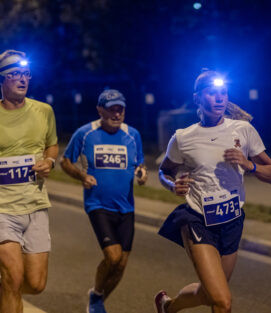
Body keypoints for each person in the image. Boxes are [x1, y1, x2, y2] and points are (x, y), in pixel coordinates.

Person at [154, 70, 271, 313]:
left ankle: (168, 307)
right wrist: (172, 185)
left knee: (211, 294)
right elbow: (163, 171)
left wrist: (248, 164)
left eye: (223, 93)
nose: (219, 98)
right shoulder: (183, 137)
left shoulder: (242, 130)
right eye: (212, 93)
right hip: (198, 220)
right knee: (223, 301)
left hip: (232, 220)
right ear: (198, 98)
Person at [60, 89, 148, 313]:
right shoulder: (85, 133)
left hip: (126, 206)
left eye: (120, 109)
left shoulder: (132, 134)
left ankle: (97, 297)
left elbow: (140, 164)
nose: (117, 114)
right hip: (97, 204)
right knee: (113, 256)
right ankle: (97, 297)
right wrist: (81, 175)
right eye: (112, 110)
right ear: (100, 110)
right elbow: (65, 162)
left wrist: (142, 173)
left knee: (121, 265)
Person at [0, 50, 58, 312]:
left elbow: (52, 145)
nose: (22, 79)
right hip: (2, 209)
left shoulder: (44, 111)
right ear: (2, 79)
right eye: (15, 74)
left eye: (25, 74)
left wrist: (50, 161)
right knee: (13, 277)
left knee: (34, 284)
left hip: (35, 205)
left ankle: (6, 290)